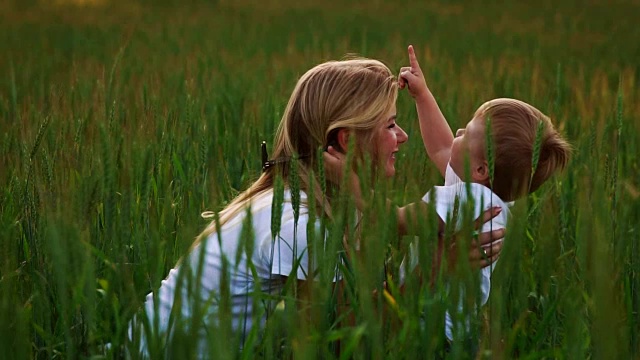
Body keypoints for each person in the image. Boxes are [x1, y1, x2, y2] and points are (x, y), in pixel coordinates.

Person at [127, 57, 504, 357]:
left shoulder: (317, 199)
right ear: (346, 140)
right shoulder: (300, 223)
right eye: (390, 125)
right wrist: (433, 273)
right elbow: (345, 337)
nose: (402, 137)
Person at [397, 45, 571, 347]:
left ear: (481, 168)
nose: (459, 130)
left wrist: (352, 198)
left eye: (467, 132)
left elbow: (399, 221)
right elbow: (442, 147)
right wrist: (422, 96)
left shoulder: (472, 200)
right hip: (455, 331)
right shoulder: (490, 194)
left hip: (433, 330)